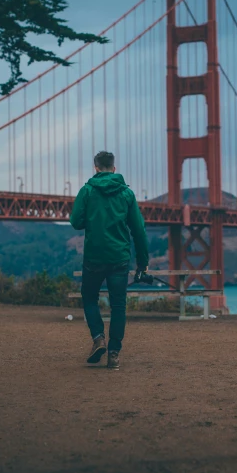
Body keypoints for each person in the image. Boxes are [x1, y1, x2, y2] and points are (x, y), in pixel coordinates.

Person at [69, 151, 149, 369]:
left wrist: (92, 218)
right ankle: (114, 353)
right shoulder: (127, 194)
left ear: (95, 168)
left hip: (94, 257)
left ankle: (98, 338)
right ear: (114, 168)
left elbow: (76, 222)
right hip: (119, 258)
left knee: (89, 297)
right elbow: (139, 231)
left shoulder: (87, 191)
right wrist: (142, 262)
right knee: (118, 305)